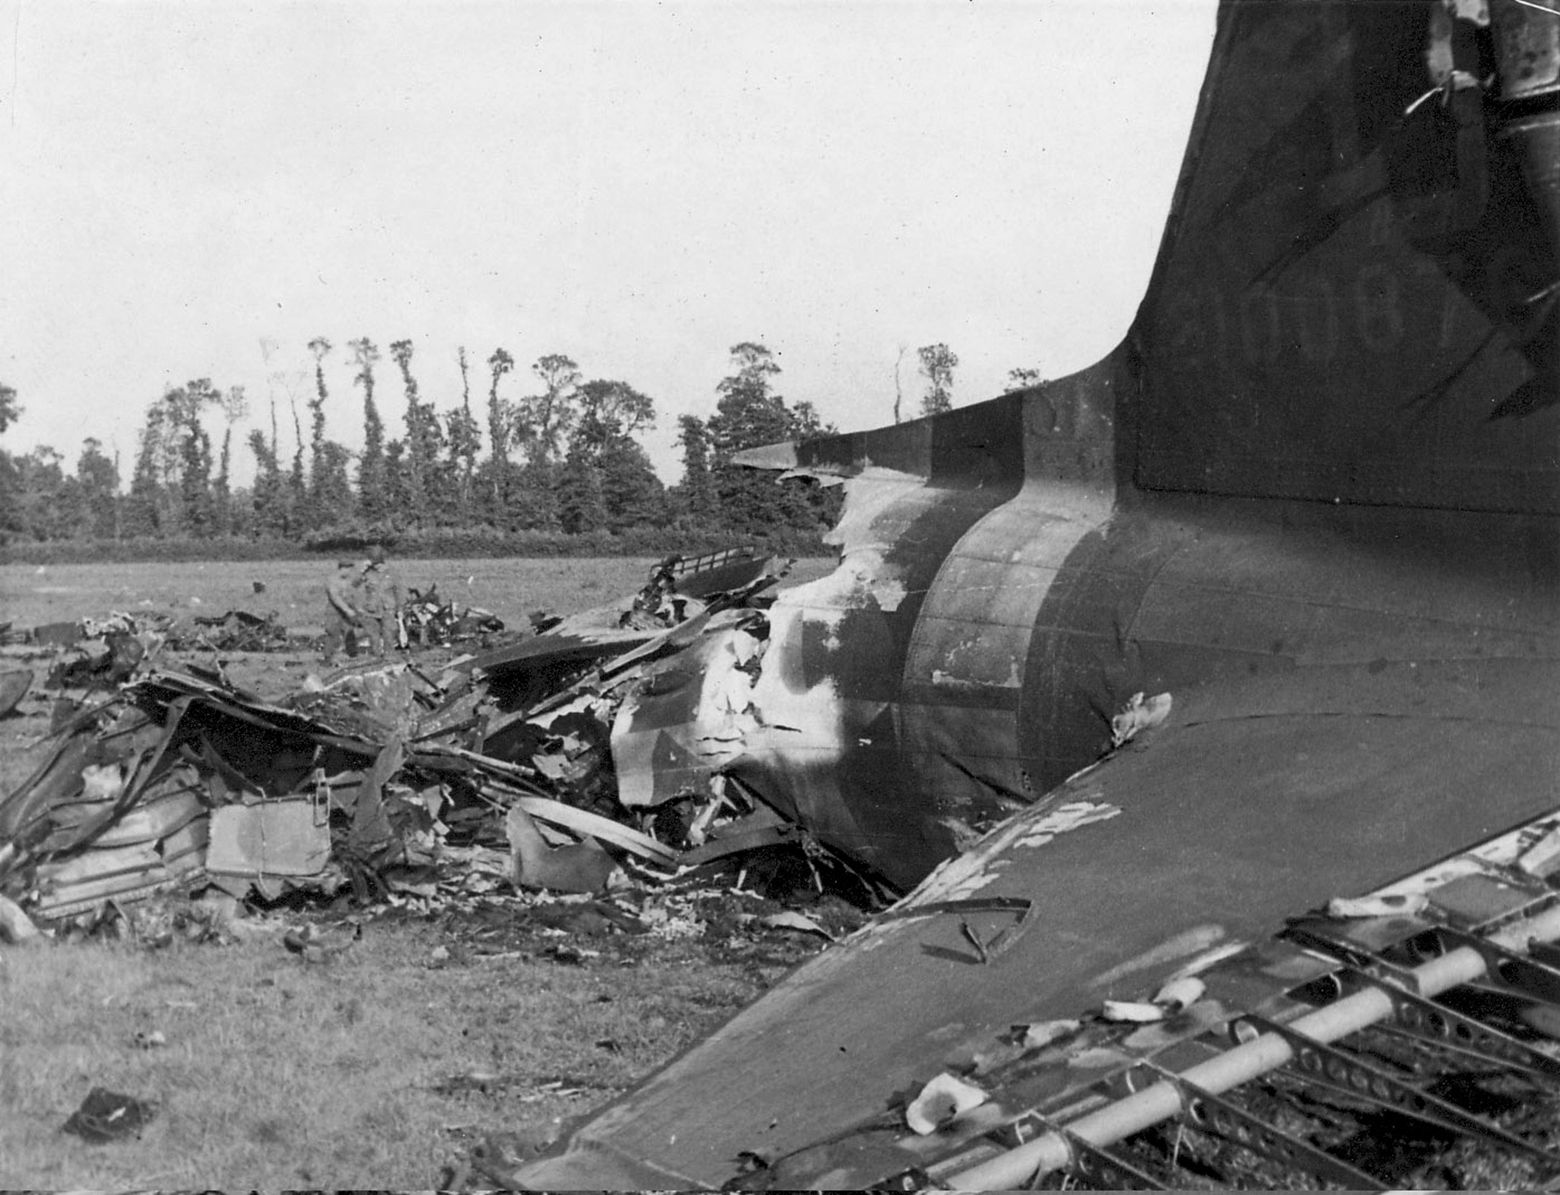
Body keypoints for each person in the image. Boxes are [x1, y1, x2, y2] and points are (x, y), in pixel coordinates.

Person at [358, 543, 404, 656]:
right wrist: (360, 570)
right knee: (373, 635)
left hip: (388, 608)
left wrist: (400, 609)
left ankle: (389, 656)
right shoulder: (366, 573)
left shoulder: (392, 573)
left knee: (389, 633)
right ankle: (376, 656)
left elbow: (399, 591)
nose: (377, 567)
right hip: (371, 609)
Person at [323, 560, 363, 664]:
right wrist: (347, 610)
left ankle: (353, 655)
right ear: (342, 568)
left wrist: (364, 570)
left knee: (349, 632)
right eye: (349, 569)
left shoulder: (348, 580)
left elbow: (357, 584)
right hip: (334, 610)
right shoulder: (332, 580)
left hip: (348, 608)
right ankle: (328, 657)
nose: (350, 572)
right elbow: (335, 597)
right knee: (332, 632)